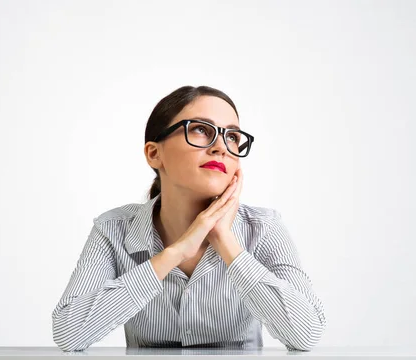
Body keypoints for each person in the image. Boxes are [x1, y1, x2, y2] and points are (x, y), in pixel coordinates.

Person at [51, 85, 326, 352]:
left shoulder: (264, 228)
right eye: (200, 130)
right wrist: (176, 252)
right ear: (154, 154)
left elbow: (307, 334)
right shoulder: (113, 229)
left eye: (232, 136)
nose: (221, 147)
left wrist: (225, 241)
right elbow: (68, 333)